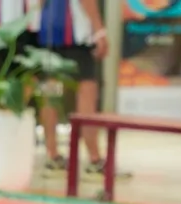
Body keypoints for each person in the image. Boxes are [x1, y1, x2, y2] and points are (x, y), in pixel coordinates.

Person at [36, 0, 131, 181]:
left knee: (51, 89)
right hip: (74, 31)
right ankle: (94, 158)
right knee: (87, 89)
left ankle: (52, 154)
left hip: (48, 27)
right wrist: (98, 29)